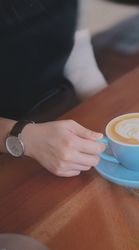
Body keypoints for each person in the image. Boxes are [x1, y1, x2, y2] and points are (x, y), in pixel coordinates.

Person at [0, 0, 106, 177]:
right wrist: (25, 138)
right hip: (9, 145)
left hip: (63, 118)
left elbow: (80, 62)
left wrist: (112, 115)